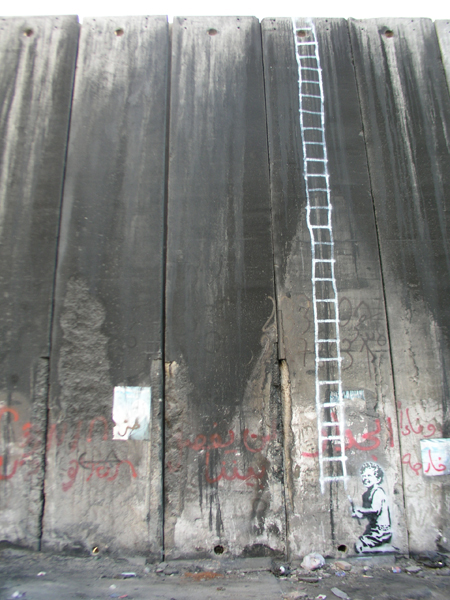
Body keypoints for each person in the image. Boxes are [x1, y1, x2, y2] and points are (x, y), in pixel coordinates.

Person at [351, 461, 392, 553]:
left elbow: (375, 510)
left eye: (369, 475)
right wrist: (358, 514)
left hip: (381, 530)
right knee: (361, 546)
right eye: (364, 476)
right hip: (374, 529)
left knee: (360, 546)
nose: (365, 478)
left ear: (378, 479)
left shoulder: (378, 492)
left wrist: (360, 510)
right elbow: (367, 514)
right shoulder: (366, 495)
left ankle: (386, 550)